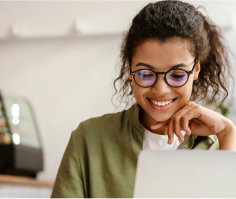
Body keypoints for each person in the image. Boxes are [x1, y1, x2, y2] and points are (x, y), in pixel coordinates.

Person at [51, 1, 236, 198]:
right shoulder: (89, 139)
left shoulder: (219, 146)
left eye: (177, 74)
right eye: (146, 73)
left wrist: (227, 132)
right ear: (129, 70)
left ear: (196, 70)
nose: (161, 89)